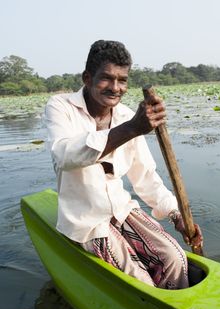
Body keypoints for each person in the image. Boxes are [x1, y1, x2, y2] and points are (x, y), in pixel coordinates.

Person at [44, 40, 203, 289]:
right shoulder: (61, 106)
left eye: (122, 80)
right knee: (139, 281)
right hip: (86, 220)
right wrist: (131, 129)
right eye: (107, 78)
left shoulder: (126, 114)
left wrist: (176, 215)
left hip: (122, 209)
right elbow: (64, 156)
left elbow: (146, 177)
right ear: (87, 78)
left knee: (175, 259)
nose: (115, 88)